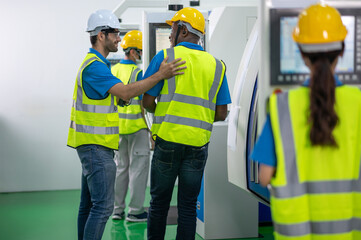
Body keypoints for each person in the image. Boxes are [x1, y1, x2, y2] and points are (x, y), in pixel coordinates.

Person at [67, 9, 186, 240]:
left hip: (96, 143)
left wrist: (118, 99)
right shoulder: (95, 66)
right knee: (102, 207)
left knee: (89, 205)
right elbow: (125, 90)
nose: (118, 39)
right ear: (101, 35)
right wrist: (160, 75)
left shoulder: (98, 64)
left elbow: (111, 96)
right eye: (114, 34)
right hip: (95, 146)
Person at [251, 3, 361, 240]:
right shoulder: (358, 103)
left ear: (301, 53)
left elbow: (264, 177)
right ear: (342, 51)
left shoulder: (281, 106)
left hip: (297, 233)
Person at [142, 7, 231, 240]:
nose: (170, 34)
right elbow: (222, 113)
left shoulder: (164, 58)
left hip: (167, 141)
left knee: (159, 204)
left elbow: (147, 100)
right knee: (188, 207)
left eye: (172, 28)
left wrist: (164, 111)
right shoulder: (217, 65)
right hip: (198, 145)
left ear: (182, 30)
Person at [111, 30, 150, 222]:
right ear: (133, 52)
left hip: (118, 130)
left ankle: (117, 210)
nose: (142, 54)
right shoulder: (138, 72)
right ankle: (135, 211)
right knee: (138, 169)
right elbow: (144, 106)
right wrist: (151, 131)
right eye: (140, 51)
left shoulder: (113, 70)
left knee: (120, 169)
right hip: (137, 129)